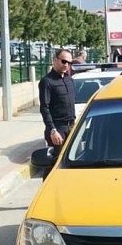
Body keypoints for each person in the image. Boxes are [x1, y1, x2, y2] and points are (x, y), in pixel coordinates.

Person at [38, 49, 76, 179]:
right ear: (55, 60)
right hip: (58, 129)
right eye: (64, 61)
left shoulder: (69, 80)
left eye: (69, 63)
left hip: (71, 127)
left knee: (71, 164)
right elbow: (44, 108)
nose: (66, 65)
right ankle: (47, 194)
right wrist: (53, 130)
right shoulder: (47, 82)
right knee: (54, 165)